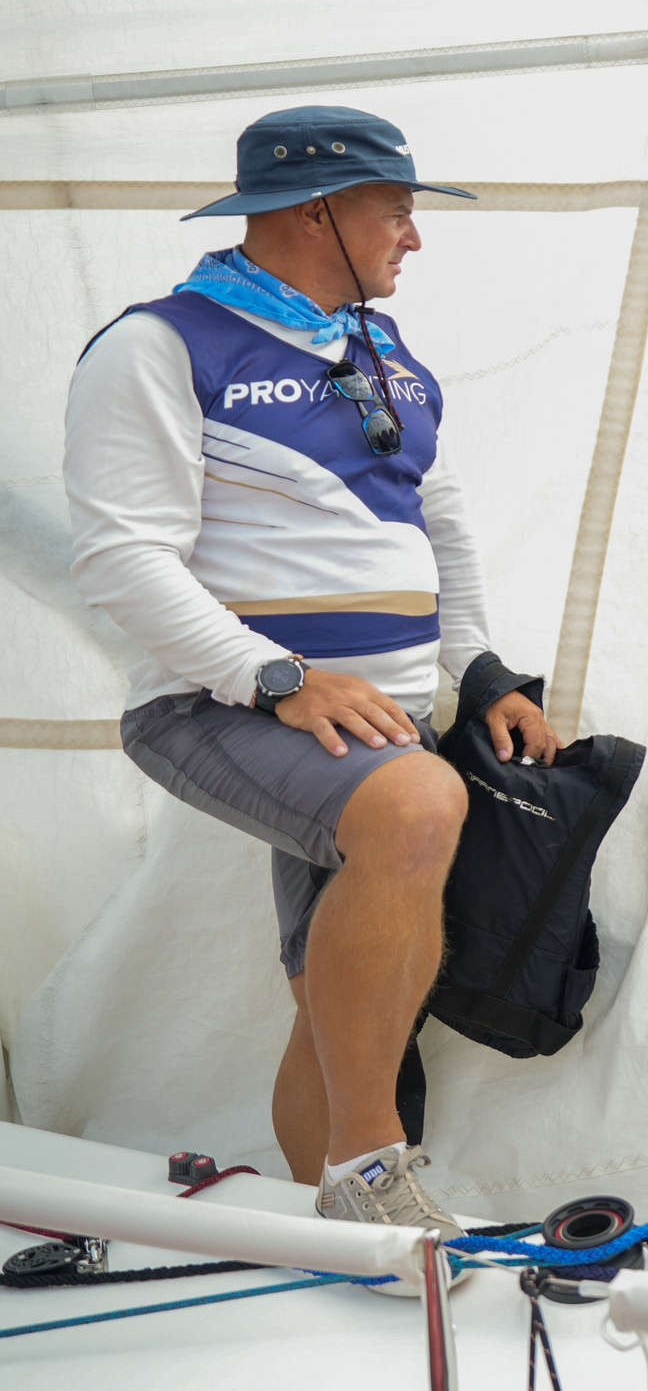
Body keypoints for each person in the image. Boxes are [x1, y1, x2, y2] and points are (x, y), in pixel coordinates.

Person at [63, 106, 561, 1285]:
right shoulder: (156, 345)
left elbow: (435, 520)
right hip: (218, 706)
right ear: (314, 210)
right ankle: (370, 1172)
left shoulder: (380, 347)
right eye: (396, 209)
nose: (413, 237)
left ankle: (317, 1233)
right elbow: (120, 557)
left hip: (371, 716)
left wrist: (479, 669)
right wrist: (275, 678)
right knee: (418, 810)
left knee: (333, 1004)